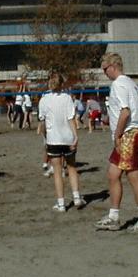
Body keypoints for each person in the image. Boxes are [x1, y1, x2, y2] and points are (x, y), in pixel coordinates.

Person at [95, 52, 138, 233]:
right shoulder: (131, 83)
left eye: (105, 69)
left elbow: (125, 112)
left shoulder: (118, 84)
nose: (104, 73)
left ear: (112, 66)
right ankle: (114, 216)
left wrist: (118, 135)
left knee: (134, 176)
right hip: (133, 132)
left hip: (128, 134)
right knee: (113, 174)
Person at [38, 73, 85, 212]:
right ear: (62, 83)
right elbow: (71, 118)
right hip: (67, 137)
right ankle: (76, 197)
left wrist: (46, 137)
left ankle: (61, 203)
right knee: (71, 167)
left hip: (53, 138)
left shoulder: (44, 100)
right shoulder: (67, 98)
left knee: (57, 172)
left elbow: (43, 121)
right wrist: (76, 136)